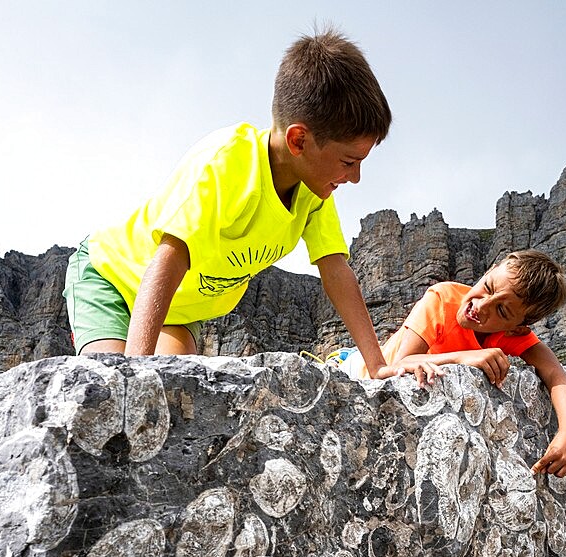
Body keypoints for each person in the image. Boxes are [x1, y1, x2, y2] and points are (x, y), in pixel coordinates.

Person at [63, 29, 396, 378]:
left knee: (173, 394)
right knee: (113, 385)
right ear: (299, 139)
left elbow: (336, 272)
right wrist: (131, 375)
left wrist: (377, 366)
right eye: (348, 161)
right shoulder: (226, 166)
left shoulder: (313, 189)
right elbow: (168, 260)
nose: (356, 177)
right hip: (110, 279)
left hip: (179, 310)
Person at [339, 250, 566, 477]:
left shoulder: (512, 335)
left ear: (517, 329)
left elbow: (554, 372)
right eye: (487, 287)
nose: (481, 305)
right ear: (489, 270)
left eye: (502, 312)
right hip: (360, 369)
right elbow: (402, 363)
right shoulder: (442, 298)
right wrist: (461, 358)